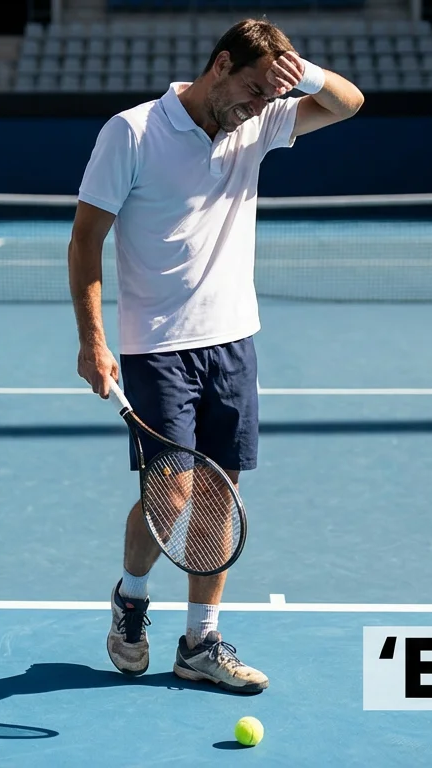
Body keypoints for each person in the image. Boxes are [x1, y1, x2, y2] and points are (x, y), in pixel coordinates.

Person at [66, 18, 364, 694]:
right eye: (254, 89)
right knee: (168, 497)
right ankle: (132, 599)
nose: (262, 106)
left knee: (217, 499)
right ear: (220, 65)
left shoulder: (258, 121)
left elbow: (348, 104)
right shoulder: (132, 132)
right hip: (157, 346)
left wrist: (302, 75)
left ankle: (200, 642)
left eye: (272, 95)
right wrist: (92, 340)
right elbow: (86, 240)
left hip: (233, 342)